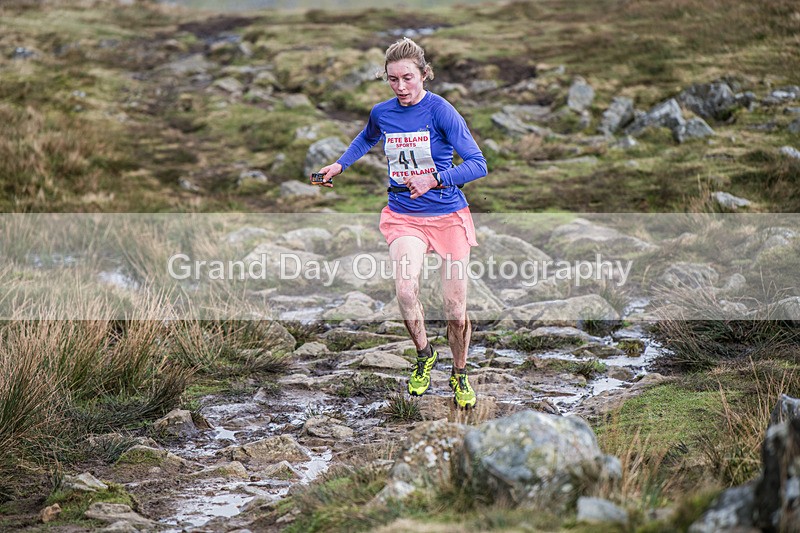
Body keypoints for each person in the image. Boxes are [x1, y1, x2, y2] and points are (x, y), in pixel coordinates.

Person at [313, 37, 487, 408]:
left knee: (455, 309)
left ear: (425, 74)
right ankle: (425, 355)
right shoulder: (383, 112)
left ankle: (459, 373)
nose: (401, 87)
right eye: (393, 80)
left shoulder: (442, 112)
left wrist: (435, 178)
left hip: (448, 216)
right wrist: (340, 164)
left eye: (408, 78)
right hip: (404, 215)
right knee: (406, 291)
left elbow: (478, 163)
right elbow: (367, 137)